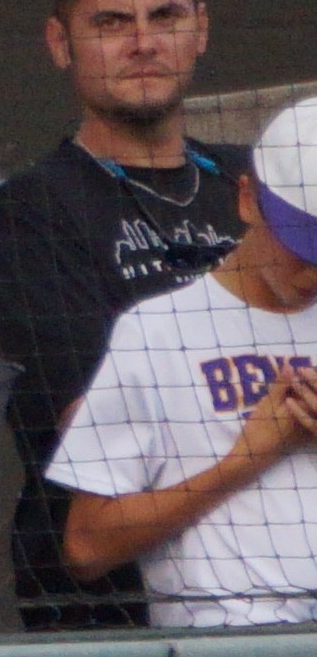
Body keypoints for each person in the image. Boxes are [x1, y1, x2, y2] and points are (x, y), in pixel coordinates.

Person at [0, 0, 236, 632]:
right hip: (105, 612)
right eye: (110, 22)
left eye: (165, 16)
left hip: (279, 589)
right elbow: (83, 421)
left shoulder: (258, 186)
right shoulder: (37, 209)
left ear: (199, 30)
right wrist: (265, 417)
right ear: (60, 43)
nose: (143, 42)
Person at [48, 98, 317, 626]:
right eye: (301, 248)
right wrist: (247, 459)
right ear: (247, 200)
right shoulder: (158, 330)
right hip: (227, 644)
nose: (313, 273)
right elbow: (86, 547)